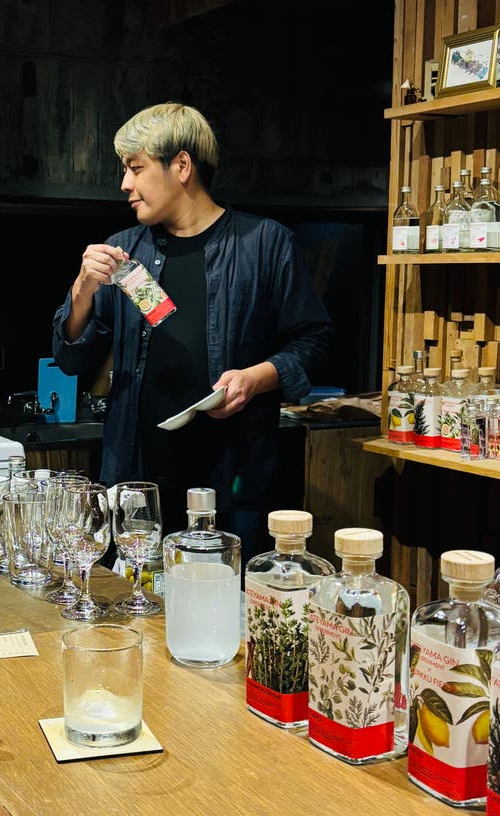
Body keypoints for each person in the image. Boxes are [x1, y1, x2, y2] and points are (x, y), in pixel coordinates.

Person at [53, 102, 333, 557]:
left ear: (181, 165)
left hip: (233, 480)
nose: (125, 184)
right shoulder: (124, 252)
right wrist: (83, 288)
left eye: (136, 168)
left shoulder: (264, 243)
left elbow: (314, 341)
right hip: (138, 483)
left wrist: (256, 378)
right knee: (135, 592)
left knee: (227, 593)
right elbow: (70, 358)